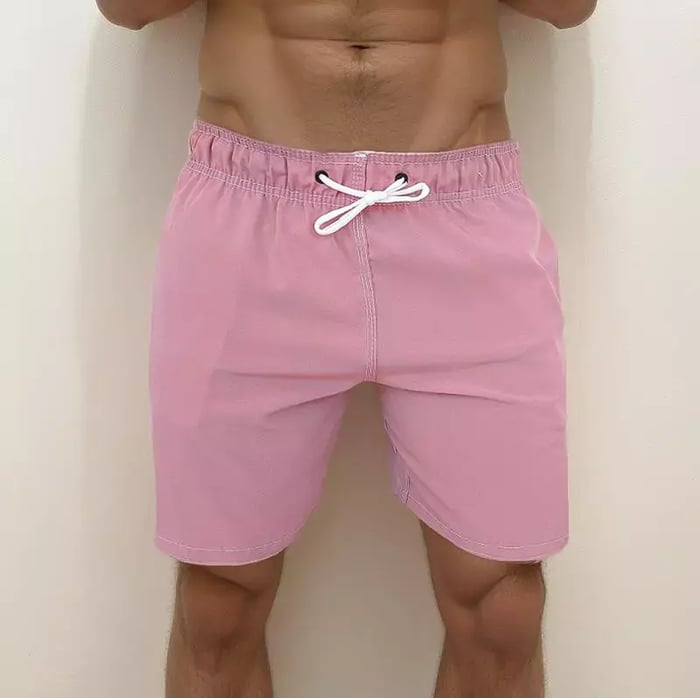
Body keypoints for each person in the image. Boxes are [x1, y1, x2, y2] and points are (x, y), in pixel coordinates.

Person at [98, 0, 596, 695]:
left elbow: (571, 9)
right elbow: (125, 9)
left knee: (502, 607)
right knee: (219, 604)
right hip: (249, 226)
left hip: (464, 222)